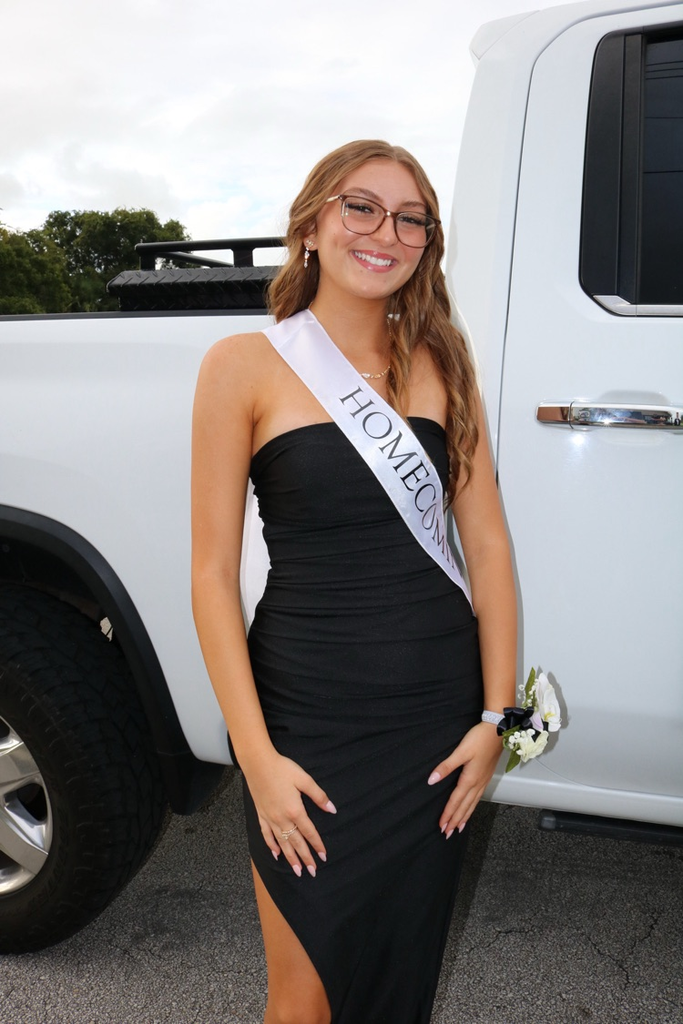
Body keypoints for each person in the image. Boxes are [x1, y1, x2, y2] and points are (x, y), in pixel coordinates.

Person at [191, 139, 517, 1024]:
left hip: (432, 731)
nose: (386, 231)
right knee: (303, 997)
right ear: (310, 227)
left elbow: (486, 549)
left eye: (411, 217)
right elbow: (213, 576)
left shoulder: (443, 368)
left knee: (395, 982)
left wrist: (497, 722)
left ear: (427, 245)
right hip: (307, 723)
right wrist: (255, 760)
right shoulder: (242, 366)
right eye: (360, 206)